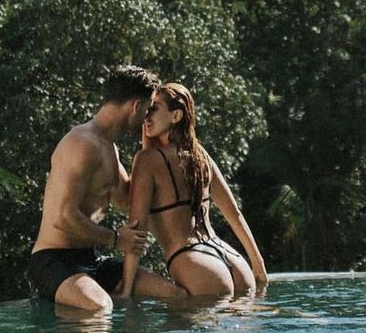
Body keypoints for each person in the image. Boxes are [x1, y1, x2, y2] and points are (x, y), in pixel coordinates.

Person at [27, 65, 186, 312]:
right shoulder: (82, 143)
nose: (148, 117)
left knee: (175, 295)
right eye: (148, 108)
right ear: (135, 106)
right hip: (53, 260)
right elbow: (63, 218)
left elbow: (126, 200)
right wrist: (115, 239)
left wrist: (153, 152)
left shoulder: (109, 148)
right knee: (100, 309)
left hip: (91, 260)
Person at [120, 82, 268, 299]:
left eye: (154, 109)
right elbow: (233, 213)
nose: (146, 116)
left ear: (176, 116)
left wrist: (126, 290)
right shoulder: (201, 156)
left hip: (194, 262)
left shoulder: (146, 160)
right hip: (233, 261)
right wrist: (258, 265)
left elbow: (138, 227)